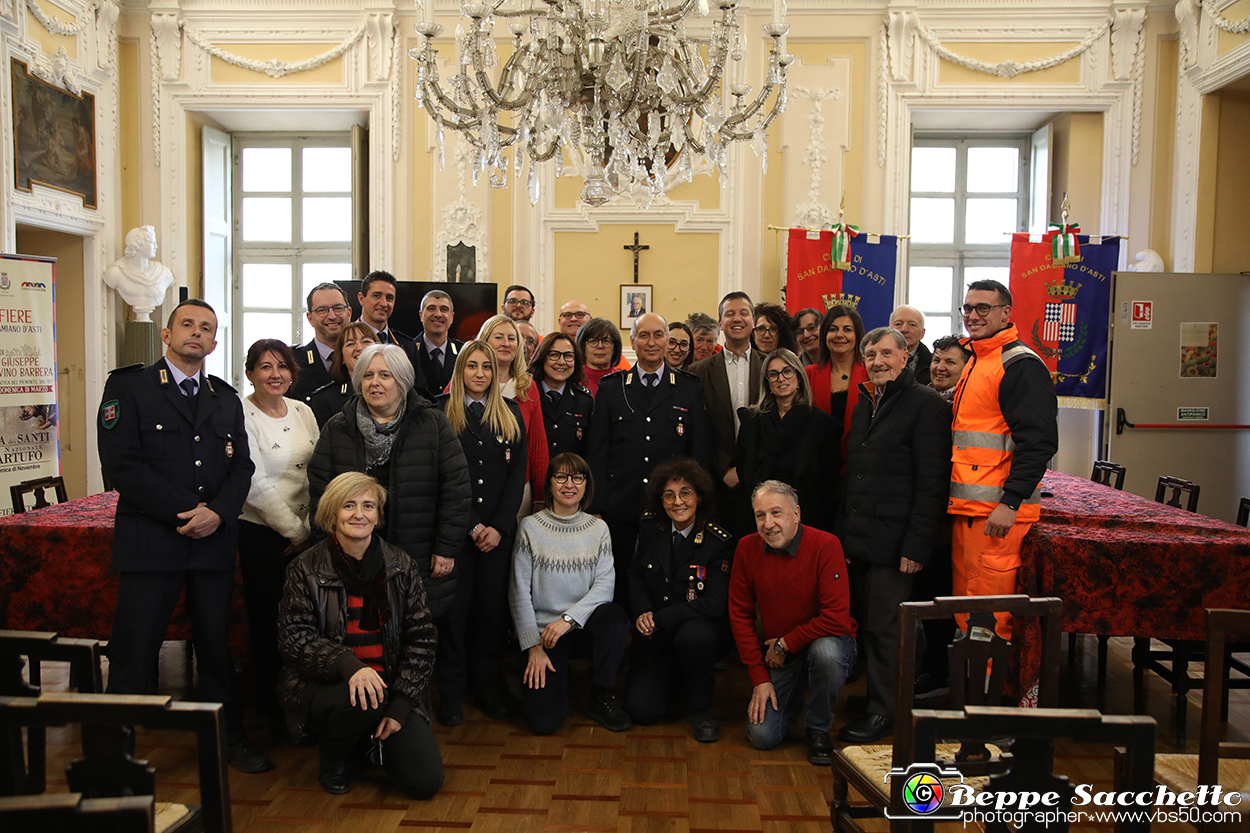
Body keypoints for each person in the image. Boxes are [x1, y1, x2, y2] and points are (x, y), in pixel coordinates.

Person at [96, 299, 272, 773]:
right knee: (134, 652)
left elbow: (241, 466)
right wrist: (187, 512)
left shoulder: (224, 397)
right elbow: (122, 466)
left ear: (214, 342)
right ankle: (114, 755)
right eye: (188, 325)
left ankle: (228, 740)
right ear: (166, 335)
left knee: (217, 648)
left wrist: (216, 512)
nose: (197, 333)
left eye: (207, 328)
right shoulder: (128, 387)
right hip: (152, 541)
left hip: (212, 542)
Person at [276, 472, 443, 798]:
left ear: (378, 516)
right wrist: (350, 666)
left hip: (390, 684)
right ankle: (334, 756)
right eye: (348, 505)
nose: (359, 514)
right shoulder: (304, 567)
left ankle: (368, 742)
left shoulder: (401, 565)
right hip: (327, 686)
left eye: (368, 506)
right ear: (331, 513)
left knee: (425, 783)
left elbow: (422, 640)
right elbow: (294, 640)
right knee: (364, 701)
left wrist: (401, 707)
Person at [836, 327, 951, 744]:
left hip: (898, 543)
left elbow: (932, 482)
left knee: (887, 631)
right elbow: (858, 473)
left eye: (886, 353)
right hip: (863, 536)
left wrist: (917, 546)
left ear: (907, 357)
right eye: (871, 354)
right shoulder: (868, 400)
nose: (878, 360)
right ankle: (876, 697)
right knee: (870, 625)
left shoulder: (927, 405)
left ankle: (887, 711)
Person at [308, 343, 472, 623]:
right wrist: (329, 549)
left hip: (418, 554)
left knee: (413, 633)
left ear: (403, 380)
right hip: (353, 555)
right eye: (368, 375)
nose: (375, 383)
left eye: (385, 375)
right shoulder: (338, 427)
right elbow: (320, 493)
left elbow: (456, 489)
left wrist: (446, 548)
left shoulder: (433, 423)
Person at [949, 280, 1058, 640]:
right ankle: (967, 686)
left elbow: (1039, 442)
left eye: (984, 308)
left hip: (996, 515)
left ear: (1005, 313)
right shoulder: (978, 360)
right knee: (966, 610)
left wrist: (1010, 502)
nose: (974, 316)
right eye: (968, 308)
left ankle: (987, 693)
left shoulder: (1019, 365)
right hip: (970, 510)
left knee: (990, 619)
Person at [728, 481, 856, 766]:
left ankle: (818, 727)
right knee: (762, 736)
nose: (768, 523)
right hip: (781, 656)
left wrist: (786, 644)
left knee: (826, 653)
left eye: (776, 513)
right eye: (760, 515)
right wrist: (759, 678)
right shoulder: (746, 548)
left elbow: (836, 617)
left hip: (826, 640)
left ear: (796, 514)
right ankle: (794, 699)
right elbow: (739, 615)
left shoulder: (826, 544)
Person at [587, 313, 712, 602]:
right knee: (618, 581)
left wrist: (697, 504)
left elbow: (699, 451)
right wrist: (597, 508)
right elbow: (597, 452)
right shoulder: (611, 387)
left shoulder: (688, 388)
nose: (651, 342)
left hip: (672, 507)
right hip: (621, 505)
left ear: (668, 341)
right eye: (644, 335)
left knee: (664, 583)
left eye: (658, 335)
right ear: (633, 341)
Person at [436, 342, 527, 724]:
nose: (479, 373)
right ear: (460, 372)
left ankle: (487, 687)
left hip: (497, 537)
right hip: (457, 534)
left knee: (491, 615)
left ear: (495, 373)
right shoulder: (441, 415)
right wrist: (473, 525)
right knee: (455, 616)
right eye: (471, 366)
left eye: (486, 367)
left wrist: (499, 527)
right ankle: (452, 693)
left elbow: (516, 476)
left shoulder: (511, 414)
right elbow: (442, 478)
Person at [509, 454, 631, 735]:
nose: (569, 484)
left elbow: (604, 587)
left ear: (586, 486)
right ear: (549, 485)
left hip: (581, 627)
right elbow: (518, 593)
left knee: (614, 617)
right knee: (545, 723)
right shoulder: (529, 528)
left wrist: (568, 619)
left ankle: (602, 695)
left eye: (578, 477)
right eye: (561, 477)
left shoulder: (598, 529)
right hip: (544, 636)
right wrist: (532, 647)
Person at [238, 338, 319, 740]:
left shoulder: (303, 410)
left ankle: (307, 704)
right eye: (265, 367)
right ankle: (273, 712)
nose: (275, 375)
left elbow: (317, 470)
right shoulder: (241, 413)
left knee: (308, 624)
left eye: (283, 366)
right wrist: (297, 532)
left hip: (307, 536)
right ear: (250, 372)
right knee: (271, 627)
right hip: (264, 537)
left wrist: (311, 531)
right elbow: (253, 486)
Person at [626, 459, 733, 743]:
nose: (678, 502)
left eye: (686, 493)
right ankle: (676, 680)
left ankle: (701, 709)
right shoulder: (651, 527)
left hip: (697, 633)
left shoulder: (716, 541)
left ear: (699, 496)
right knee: (642, 711)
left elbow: (714, 604)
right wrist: (642, 612)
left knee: (693, 636)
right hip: (656, 636)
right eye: (669, 495)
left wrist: (659, 618)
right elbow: (635, 574)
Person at [735, 349, 839, 532]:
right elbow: (744, 471)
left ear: (799, 377)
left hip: (807, 521)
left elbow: (828, 483)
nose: (781, 378)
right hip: (757, 520)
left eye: (787, 371)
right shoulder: (751, 421)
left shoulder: (822, 425)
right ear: (767, 383)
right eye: (773, 374)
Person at [691, 292, 762, 533]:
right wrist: (723, 469)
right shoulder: (698, 372)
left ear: (753, 320)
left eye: (744, 313)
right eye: (729, 314)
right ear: (720, 323)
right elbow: (697, 429)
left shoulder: (770, 367)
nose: (737, 318)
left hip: (761, 480)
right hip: (715, 483)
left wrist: (749, 470)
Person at [478, 315, 550, 511]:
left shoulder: (527, 387)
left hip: (518, 491)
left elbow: (537, 446)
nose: (506, 343)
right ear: (484, 341)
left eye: (512, 338)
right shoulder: (466, 381)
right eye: (499, 337)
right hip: (473, 488)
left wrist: (541, 497)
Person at [804, 305, 869, 464]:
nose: (840, 335)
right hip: (817, 465)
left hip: (860, 465)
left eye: (847, 329)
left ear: (858, 335)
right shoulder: (808, 374)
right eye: (833, 329)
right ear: (825, 335)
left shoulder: (871, 374)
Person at [529, 332, 594, 459]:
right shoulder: (527, 395)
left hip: (570, 477)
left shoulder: (584, 401)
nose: (561, 362)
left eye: (568, 356)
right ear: (542, 358)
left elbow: (590, 450)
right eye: (554, 355)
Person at [290, 282, 351, 404]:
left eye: (338, 308)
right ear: (310, 318)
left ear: (349, 313)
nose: (332, 316)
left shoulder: (365, 360)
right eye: (322, 310)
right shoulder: (293, 361)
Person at [307, 322, 377, 427]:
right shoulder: (324, 399)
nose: (359, 348)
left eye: (366, 341)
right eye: (350, 344)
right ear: (342, 357)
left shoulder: (397, 389)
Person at [101, 225, 175, 321]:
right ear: (138, 244)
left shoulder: (163, 273)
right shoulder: (116, 273)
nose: (156, 247)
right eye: (152, 243)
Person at [412, 290, 462, 397]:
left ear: (452, 317)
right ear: (421, 315)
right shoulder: (407, 351)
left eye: (444, 309)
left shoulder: (463, 352)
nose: (438, 314)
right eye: (431, 308)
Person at [357, 271, 417, 353]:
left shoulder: (408, 347)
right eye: (376, 296)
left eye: (389, 298)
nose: (383, 304)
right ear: (361, 299)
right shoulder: (344, 340)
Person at [575, 316, 624, 395]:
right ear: (583, 347)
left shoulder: (625, 381)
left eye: (606, 341)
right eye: (593, 341)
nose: (600, 346)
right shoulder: (573, 380)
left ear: (615, 348)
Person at [890, 305, 932, 386]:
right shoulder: (877, 361)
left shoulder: (933, 365)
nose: (904, 329)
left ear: (922, 333)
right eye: (898, 324)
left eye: (912, 325)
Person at [928, 334, 972, 402]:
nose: (940, 367)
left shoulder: (968, 402)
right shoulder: (919, 397)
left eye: (950, 362)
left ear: (966, 367)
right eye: (936, 360)